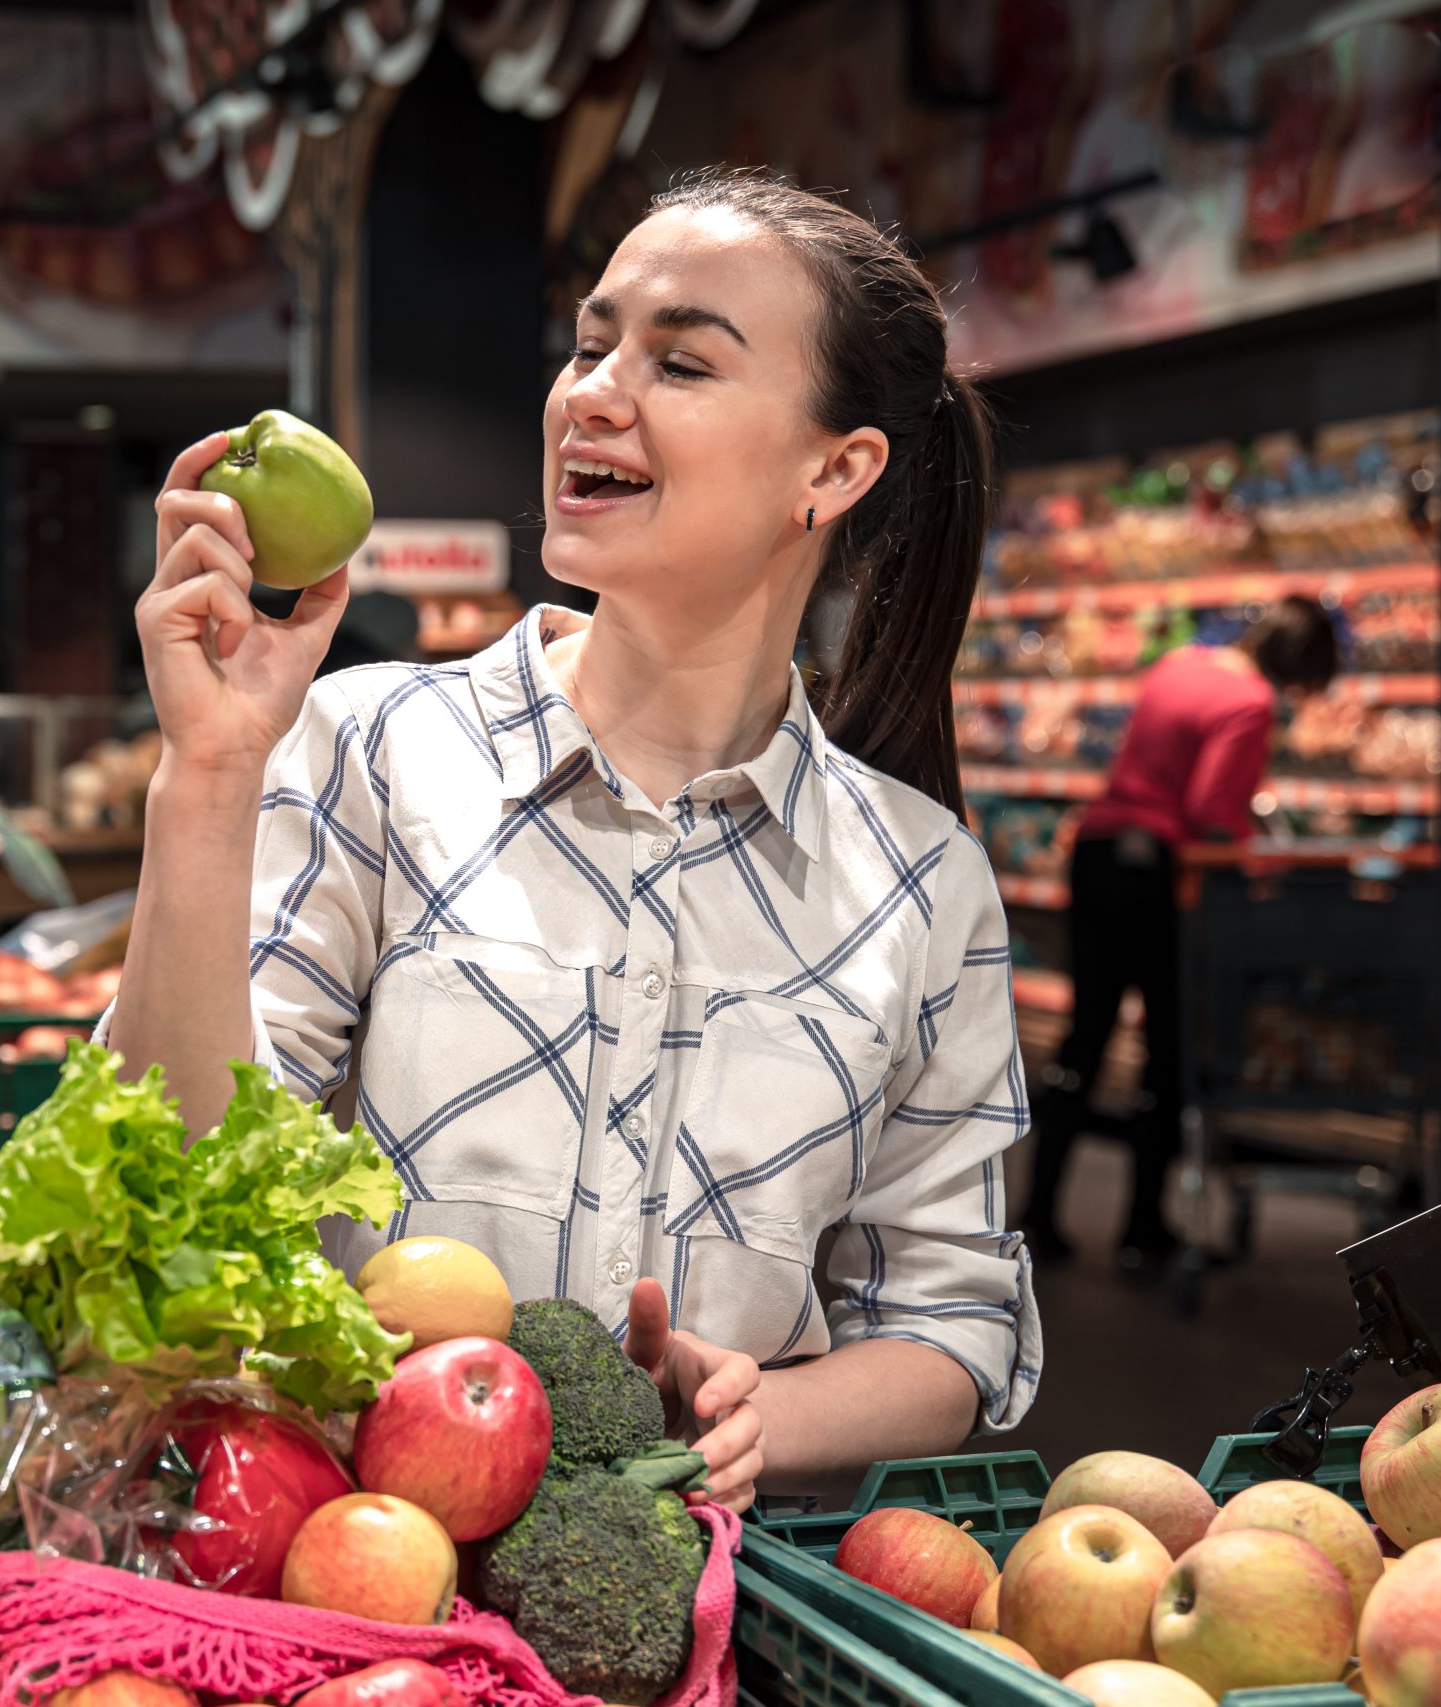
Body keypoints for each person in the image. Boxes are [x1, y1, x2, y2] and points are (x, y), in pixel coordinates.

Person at [106, 169, 1040, 1511]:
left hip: (712, 1603)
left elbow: (955, 1319)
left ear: (833, 470)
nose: (592, 390)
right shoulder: (368, 749)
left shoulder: (925, 882)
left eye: (681, 361)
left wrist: (760, 1410)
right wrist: (205, 772)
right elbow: (172, 1192)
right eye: (594, 341)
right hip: (350, 1574)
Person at [1018, 595, 1341, 1271]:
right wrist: (1256, 858)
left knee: (1087, 1033)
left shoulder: (1177, 664)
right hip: (1156, 872)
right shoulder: (1249, 701)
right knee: (1167, 1049)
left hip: (1100, 850)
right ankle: (1143, 1231)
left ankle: (1038, 1213)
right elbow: (1212, 809)